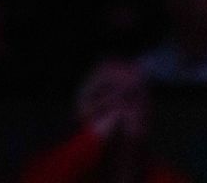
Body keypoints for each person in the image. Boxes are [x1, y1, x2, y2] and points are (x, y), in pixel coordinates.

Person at [21, 59, 189, 183]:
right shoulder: (46, 166)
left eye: (130, 97)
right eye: (103, 95)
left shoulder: (166, 177)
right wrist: (95, 137)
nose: (117, 108)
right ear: (80, 108)